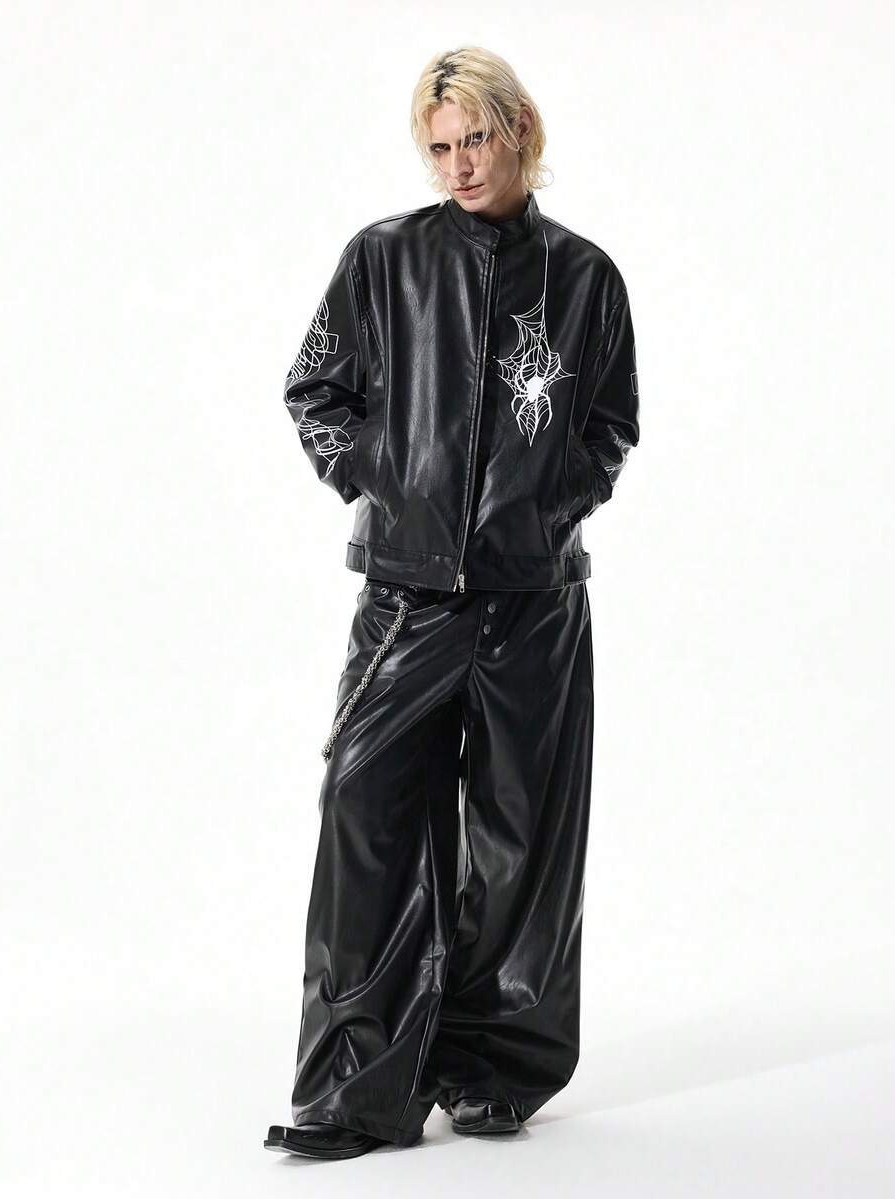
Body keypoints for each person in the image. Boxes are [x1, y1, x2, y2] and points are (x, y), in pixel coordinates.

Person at [264, 44, 640, 1161]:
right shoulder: (382, 259)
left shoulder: (585, 279)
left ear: (519, 133)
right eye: (440, 146)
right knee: (367, 811)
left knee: (522, 838)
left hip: (534, 601)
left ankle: (493, 1071)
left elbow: (610, 425)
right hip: (406, 597)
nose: (459, 164)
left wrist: (548, 504)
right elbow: (316, 387)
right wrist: (385, 481)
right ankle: (356, 1087)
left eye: (476, 139)